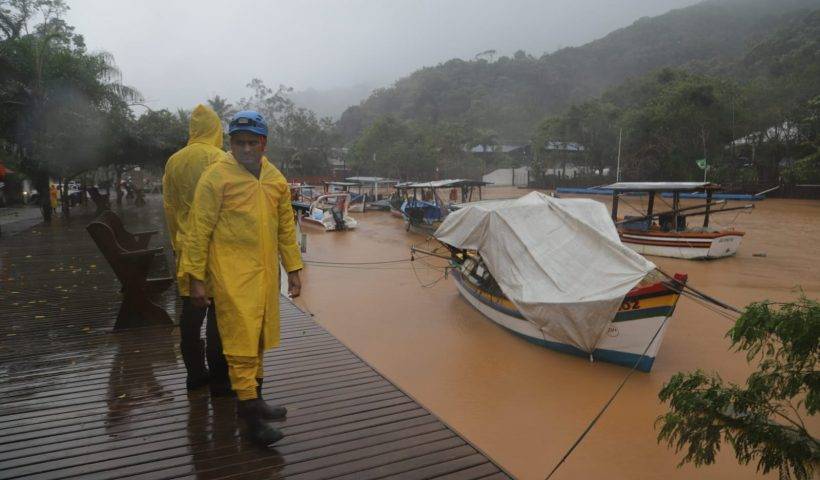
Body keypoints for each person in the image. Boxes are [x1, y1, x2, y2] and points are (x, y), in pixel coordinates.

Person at [180, 110, 303, 446]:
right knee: (240, 343)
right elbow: (198, 230)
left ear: (264, 143)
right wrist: (196, 279)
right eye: (239, 143)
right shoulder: (216, 177)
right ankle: (250, 419)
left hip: (264, 274)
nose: (246, 149)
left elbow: (286, 228)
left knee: (259, 337)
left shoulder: (275, 179)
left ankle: (255, 399)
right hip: (231, 274)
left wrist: (292, 268)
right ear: (229, 143)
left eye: (252, 142)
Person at [162, 104, 231, 394]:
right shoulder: (222, 159)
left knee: (190, 313)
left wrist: (178, 241)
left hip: (185, 247)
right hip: (217, 248)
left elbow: (170, 207)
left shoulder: (173, 162)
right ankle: (219, 377)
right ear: (216, 129)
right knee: (217, 314)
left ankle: (194, 373)